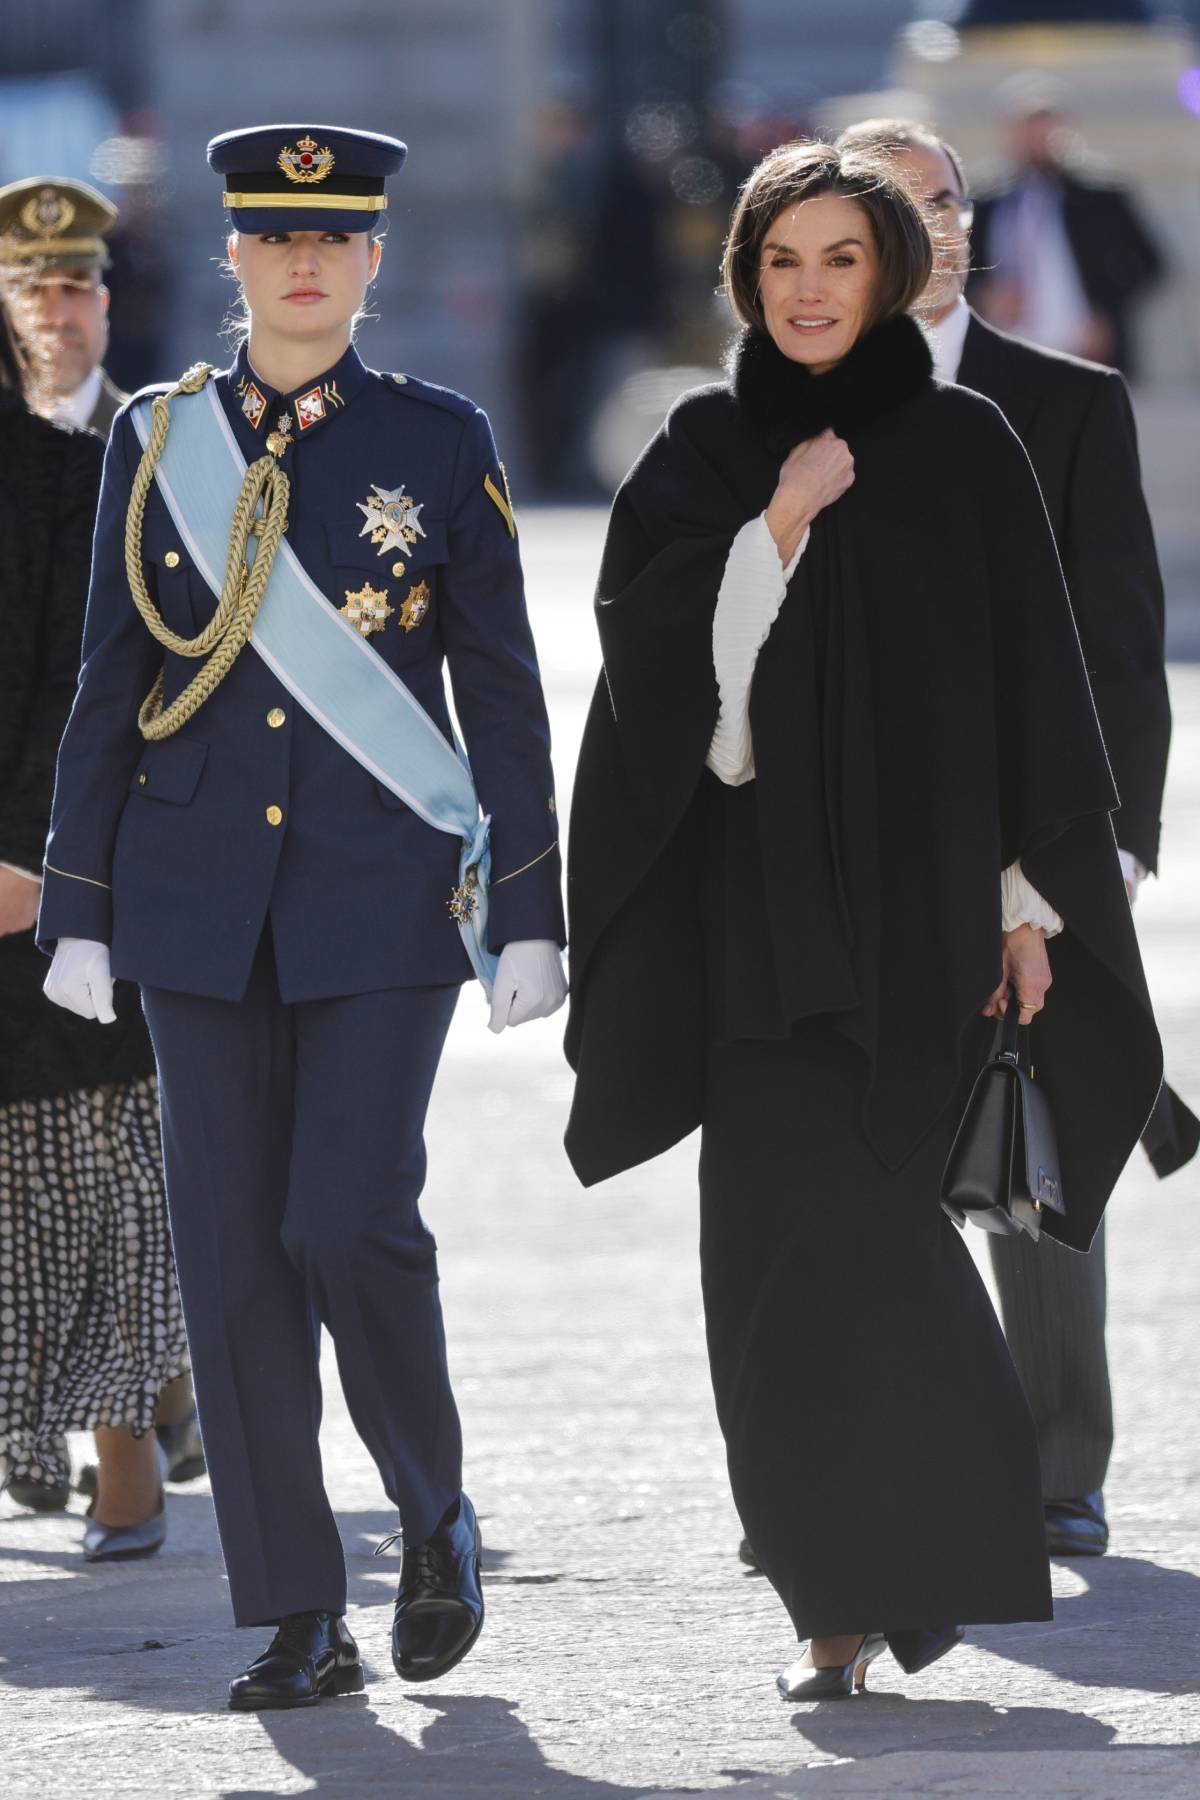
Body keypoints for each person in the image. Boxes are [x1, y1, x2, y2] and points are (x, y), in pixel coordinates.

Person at [564, 140, 1161, 1699]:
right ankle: (833, 1600)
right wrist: (776, 527)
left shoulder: (968, 445)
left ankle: (942, 1556)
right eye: (782, 262)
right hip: (754, 923)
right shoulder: (700, 448)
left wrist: (1031, 912)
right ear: (746, 280)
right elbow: (666, 710)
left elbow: (1028, 693)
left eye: (841, 258)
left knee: (891, 1242)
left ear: (892, 271)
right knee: (763, 1264)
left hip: (924, 924)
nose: (811, 290)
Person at [38, 124, 567, 1710]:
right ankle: (293, 1612)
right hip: (195, 907)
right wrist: (81, 896)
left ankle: (431, 1512)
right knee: (231, 1259)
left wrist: (529, 905)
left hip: (378, 894)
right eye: (275, 238)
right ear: (237, 260)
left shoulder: (436, 433)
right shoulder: (159, 433)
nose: (306, 261)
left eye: (334, 239)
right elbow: (109, 684)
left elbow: (505, 695)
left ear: (374, 261)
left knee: (346, 1221)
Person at [836, 115, 1195, 1557]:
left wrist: (1093, 859)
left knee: (1042, 1161)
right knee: (872, 1156)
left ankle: (1056, 1468)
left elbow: (1123, 644)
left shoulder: (1068, 402)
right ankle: (895, 1445)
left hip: (1037, 845)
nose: (934, 227)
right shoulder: (786, 410)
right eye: (894, 207)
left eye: (947, 201)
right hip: (856, 854)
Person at [0, 294, 192, 1556]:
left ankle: (129, 1452)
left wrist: (35, 852)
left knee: (98, 1171)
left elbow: (102, 676)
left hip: (46, 883)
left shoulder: (72, 476)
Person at [966, 82, 1163, 378]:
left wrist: (1107, 314)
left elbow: (1151, 262)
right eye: (1028, 130)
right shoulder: (986, 200)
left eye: (1047, 130)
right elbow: (958, 265)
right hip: (1009, 345)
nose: (1039, 140)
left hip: (1086, 347)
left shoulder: (1102, 196)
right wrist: (985, 294)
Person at [0, 177, 129, 435]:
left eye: (75, 287)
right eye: (32, 289)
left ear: (102, 303)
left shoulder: (155, 441)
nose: (57, 315)